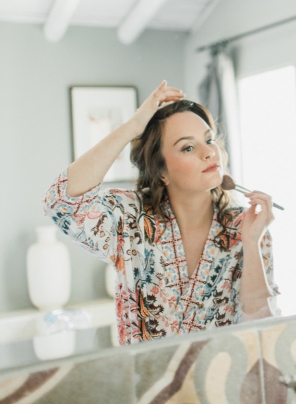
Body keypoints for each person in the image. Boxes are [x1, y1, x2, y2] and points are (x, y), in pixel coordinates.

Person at [42, 81, 278, 345]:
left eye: (209, 140)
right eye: (188, 147)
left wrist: (252, 243)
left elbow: (262, 331)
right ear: (161, 171)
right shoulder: (131, 220)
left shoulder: (248, 226)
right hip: (145, 383)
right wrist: (132, 127)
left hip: (220, 381)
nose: (209, 152)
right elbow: (61, 202)